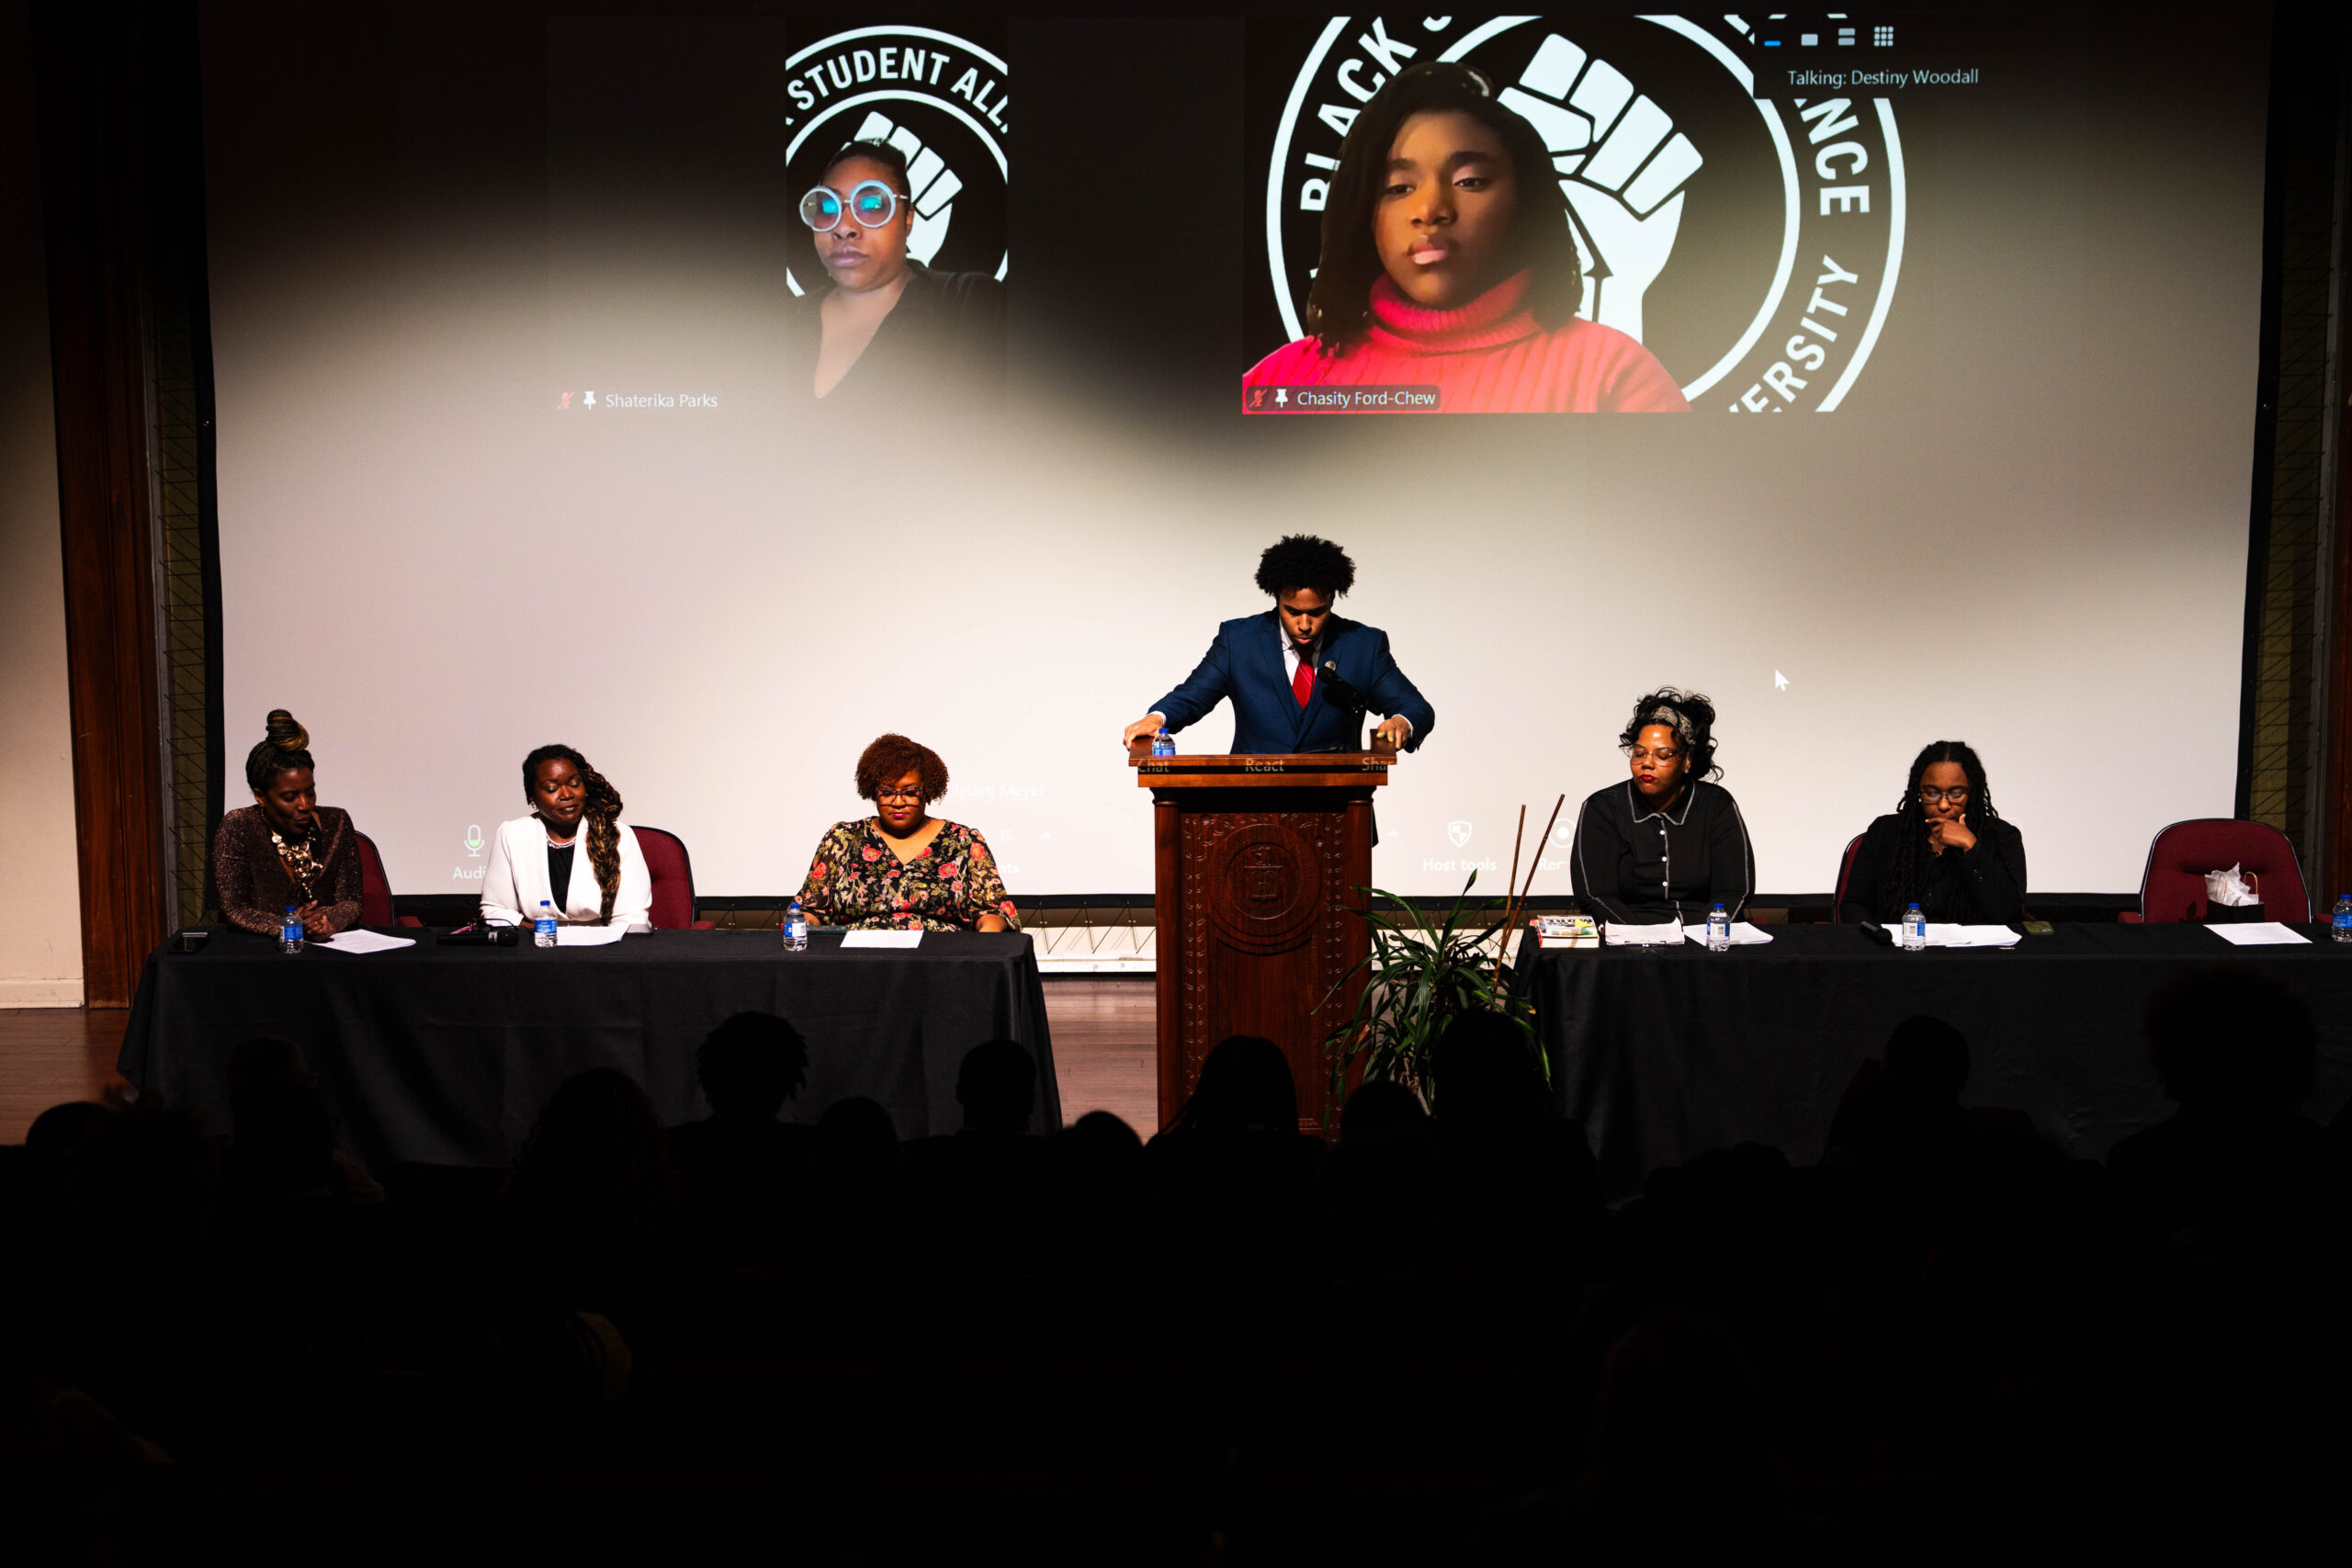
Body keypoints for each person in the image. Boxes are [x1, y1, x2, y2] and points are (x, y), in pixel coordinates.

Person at [1243, 62, 1687, 414]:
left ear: (1525, 202)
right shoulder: (1280, 383)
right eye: (1398, 188)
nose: (1431, 210)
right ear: (1365, 214)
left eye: (1470, 181)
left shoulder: (1612, 376)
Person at [1121, 534, 1435, 755]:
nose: (1305, 624)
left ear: (1333, 600)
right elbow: (1192, 696)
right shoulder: (1238, 641)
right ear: (1276, 598)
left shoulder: (1363, 645)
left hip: (1339, 808)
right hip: (1251, 806)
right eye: (1293, 611)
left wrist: (1401, 722)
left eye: (1317, 612)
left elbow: (1417, 708)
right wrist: (1157, 718)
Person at [787, 139, 1003, 410]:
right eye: (828, 207)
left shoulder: (973, 305)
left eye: (872, 206)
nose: (844, 227)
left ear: (907, 219)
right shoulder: (781, 322)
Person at [796, 734, 1018, 931]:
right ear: (873, 791)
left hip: (941, 957)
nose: (898, 802)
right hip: (857, 957)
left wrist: (986, 937)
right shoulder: (842, 839)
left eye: (910, 792)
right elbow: (811, 912)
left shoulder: (964, 840)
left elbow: (993, 912)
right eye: (887, 792)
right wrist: (801, 925)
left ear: (928, 790)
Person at [1570, 690, 1753, 924]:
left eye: (1663, 755)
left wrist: (1698, 937)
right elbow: (1596, 896)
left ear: (1687, 760)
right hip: (1628, 937)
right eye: (1639, 753)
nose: (1647, 762)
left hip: (1703, 936)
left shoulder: (1716, 805)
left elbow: (1734, 892)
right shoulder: (1602, 808)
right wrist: (1641, 937)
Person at [1836, 741, 2026, 927]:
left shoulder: (2003, 837)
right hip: (1894, 946)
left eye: (1956, 794)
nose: (1943, 805)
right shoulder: (1885, 832)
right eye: (1932, 794)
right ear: (1919, 793)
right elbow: (1853, 905)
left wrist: (1971, 846)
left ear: (1972, 793)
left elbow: (2009, 913)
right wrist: (1879, 937)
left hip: (1977, 948)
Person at [211, 709, 365, 937]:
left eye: (310, 792)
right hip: (261, 950)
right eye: (290, 797)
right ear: (260, 796)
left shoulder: (337, 823)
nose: (304, 805)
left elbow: (351, 901)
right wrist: (290, 925)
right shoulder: (239, 826)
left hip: (326, 948)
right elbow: (235, 908)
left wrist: (325, 922)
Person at [481, 744, 653, 929]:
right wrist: (543, 933)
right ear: (532, 797)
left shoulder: (617, 834)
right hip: (538, 942)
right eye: (551, 788)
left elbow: (632, 918)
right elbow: (495, 910)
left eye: (574, 784)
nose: (567, 794)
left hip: (607, 943)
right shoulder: (512, 834)